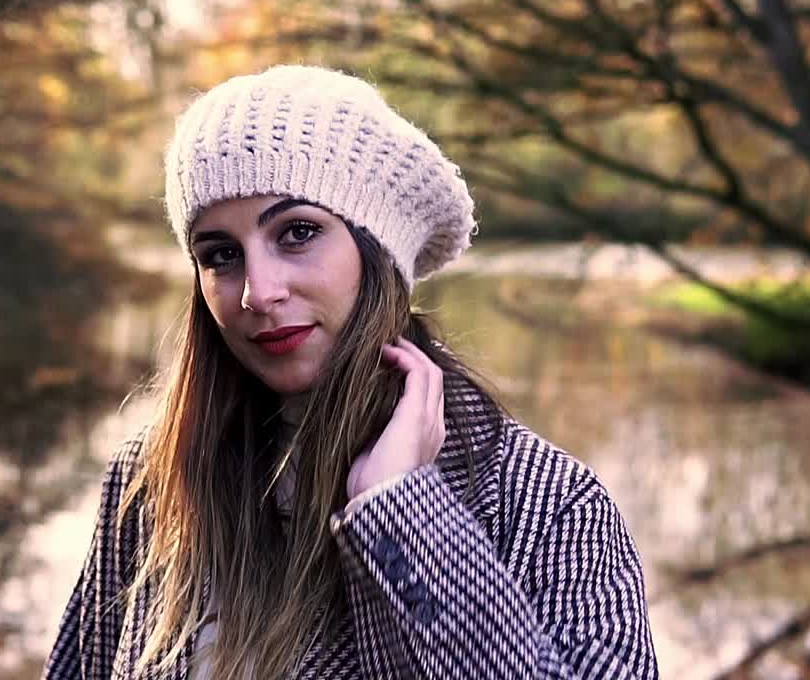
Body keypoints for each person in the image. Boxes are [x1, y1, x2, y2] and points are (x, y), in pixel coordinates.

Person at [42, 64, 657, 679]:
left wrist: (406, 517)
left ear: (378, 252)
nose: (259, 291)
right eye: (221, 255)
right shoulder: (153, 485)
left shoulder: (546, 506)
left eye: (298, 232)